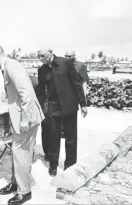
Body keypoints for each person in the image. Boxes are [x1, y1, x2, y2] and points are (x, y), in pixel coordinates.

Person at [0, 45, 44, 205]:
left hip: (26, 117)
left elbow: (25, 92)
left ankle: (24, 191)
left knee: (21, 153)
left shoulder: (11, 66)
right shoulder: (10, 65)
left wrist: (25, 119)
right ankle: (15, 183)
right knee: (17, 152)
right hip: (21, 115)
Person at [36, 48, 88, 177]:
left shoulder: (65, 63)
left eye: (42, 55)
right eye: (38, 56)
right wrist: (40, 107)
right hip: (54, 107)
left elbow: (77, 84)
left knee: (71, 137)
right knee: (53, 137)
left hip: (69, 105)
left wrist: (83, 104)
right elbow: (41, 91)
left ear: (50, 52)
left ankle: (70, 165)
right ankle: (53, 165)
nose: (40, 58)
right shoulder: (41, 70)